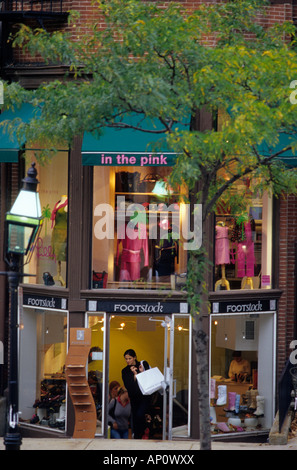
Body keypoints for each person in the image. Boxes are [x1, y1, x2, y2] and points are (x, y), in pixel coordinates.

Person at [121, 349, 151, 439]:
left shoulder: (143, 365)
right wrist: (135, 376)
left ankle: (143, 433)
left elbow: (149, 379)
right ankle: (138, 437)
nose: (127, 361)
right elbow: (129, 386)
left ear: (135, 357)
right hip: (134, 398)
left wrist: (141, 373)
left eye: (129, 358)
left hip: (145, 397)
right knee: (135, 418)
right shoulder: (125, 371)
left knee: (140, 415)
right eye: (126, 359)